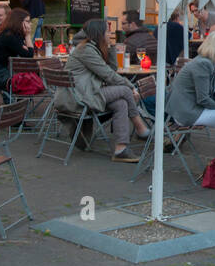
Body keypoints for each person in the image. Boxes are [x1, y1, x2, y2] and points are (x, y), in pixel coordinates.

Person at [56, 19, 150, 162]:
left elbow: (112, 69)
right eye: (107, 31)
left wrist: (110, 46)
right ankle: (140, 128)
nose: (110, 33)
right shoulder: (86, 50)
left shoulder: (93, 48)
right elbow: (108, 75)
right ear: (99, 33)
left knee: (121, 104)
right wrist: (131, 87)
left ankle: (121, 149)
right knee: (125, 91)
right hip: (80, 97)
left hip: (89, 92)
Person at [166, 29, 215, 135]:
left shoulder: (210, 62)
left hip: (190, 108)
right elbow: (203, 99)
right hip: (186, 112)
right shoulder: (203, 64)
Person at [0, 8, 35, 94]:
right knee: (24, 81)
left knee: (24, 79)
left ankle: (12, 103)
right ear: (19, 22)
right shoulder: (10, 37)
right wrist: (28, 35)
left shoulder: (11, 34)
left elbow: (27, 53)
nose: (30, 24)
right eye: (27, 21)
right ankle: (15, 105)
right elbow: (29, 56)